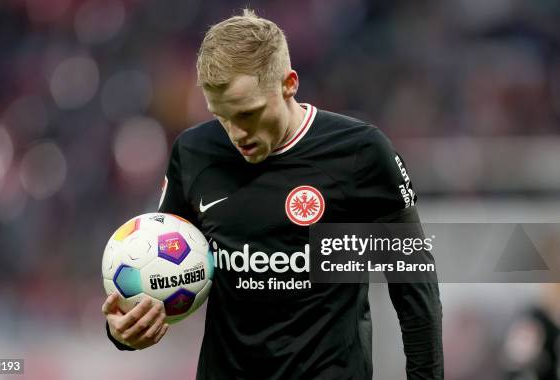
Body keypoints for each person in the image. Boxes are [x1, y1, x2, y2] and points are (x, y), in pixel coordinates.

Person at [102, 9, 443, 379]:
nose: (236, 132)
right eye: (221, 116)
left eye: (248, 114)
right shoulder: (194, 153)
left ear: (289, 83)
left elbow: (414, 288)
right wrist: (123, 331)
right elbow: (157, 270)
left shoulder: (359, 153)